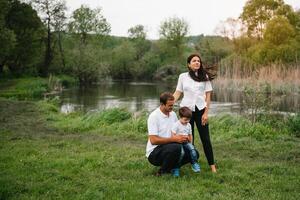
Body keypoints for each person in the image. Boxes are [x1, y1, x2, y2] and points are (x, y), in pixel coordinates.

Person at [173, 53, 217, 173]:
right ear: (189, 64)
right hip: (186, 111)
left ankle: (212, 165)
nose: (197, 62)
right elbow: (178, 92)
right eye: (194, 61)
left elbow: (208, 97)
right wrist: (169, 103)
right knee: (187, 138)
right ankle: (191, 161)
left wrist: (206, 113)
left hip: (200, 110)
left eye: (198, 61)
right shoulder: (183, 76)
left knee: (206, 139)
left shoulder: (205, 77)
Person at [146, 92, 199, 177]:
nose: (172, 107)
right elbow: (153, 140)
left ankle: (173, 167)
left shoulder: (173, 114)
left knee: (194, 153)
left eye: (173, 105)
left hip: (171, 147)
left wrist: (184, 138)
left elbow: (178, 130)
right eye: (170, 105)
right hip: (154, 153)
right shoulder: (154, 116)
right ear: (162, 104)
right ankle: (162, 171)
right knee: (176, 147)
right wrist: (174, 139)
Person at [171, 106, 201, 172]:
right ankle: (176, 168)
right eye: (185, 120)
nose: (187, 121)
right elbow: (172, 135)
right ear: (180, 117)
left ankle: (194, 163)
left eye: (188, 120)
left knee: (193, 150)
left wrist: (191, 143)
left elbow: (190, 135)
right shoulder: (176, 125)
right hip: (177, 142)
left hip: (186, 142)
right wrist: (178, 137)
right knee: (181, 153)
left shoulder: (188, 125)